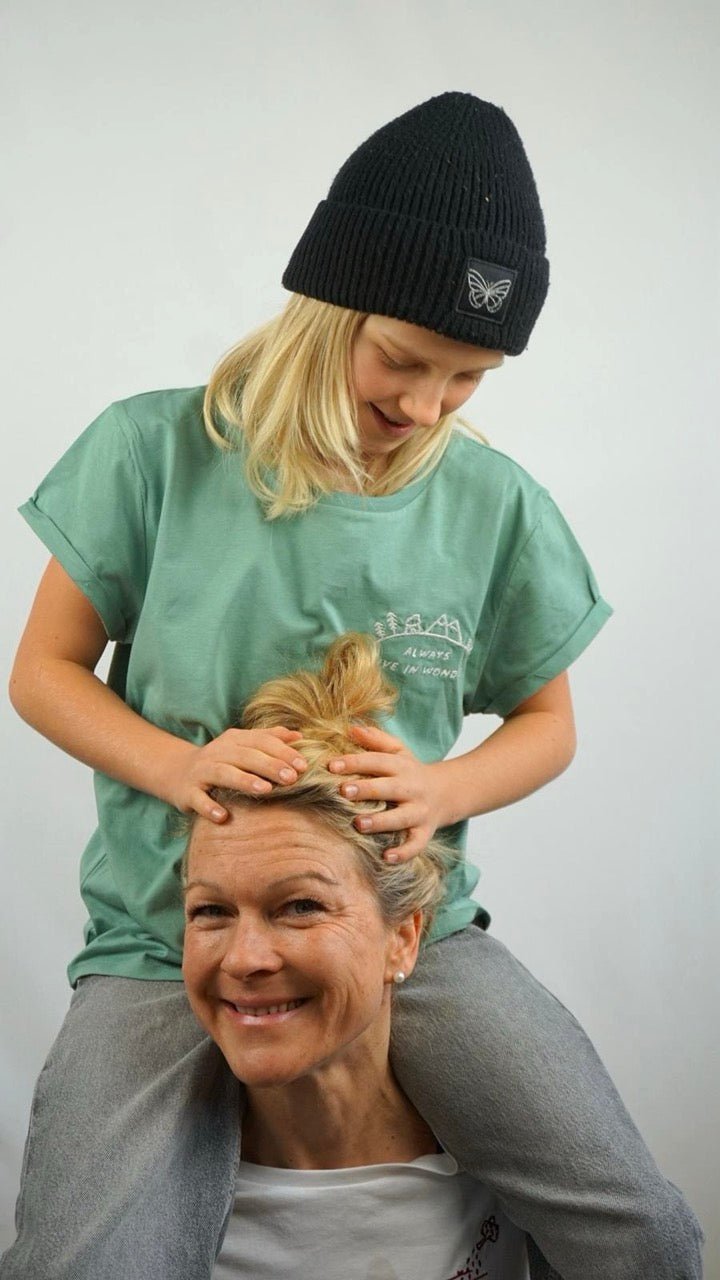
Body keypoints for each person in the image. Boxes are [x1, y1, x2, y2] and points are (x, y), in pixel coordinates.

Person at [3, 93, 702, 1279]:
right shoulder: (149, 454)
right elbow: (42, 673)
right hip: (160, 937)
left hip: (409, 935)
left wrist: (443, 789)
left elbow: (547, 724)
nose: (425, 406)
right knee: (88, 1260)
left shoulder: (493, 505)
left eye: (470, 377)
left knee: (643, 1229)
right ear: (327, 308)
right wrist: (180, 765)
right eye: (403, 359)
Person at [183, 632, 531, 1278]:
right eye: (210, 911)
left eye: (300, 906)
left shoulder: (525, 1179)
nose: (244, 959)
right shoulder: (148, 1224)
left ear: (404, 937)